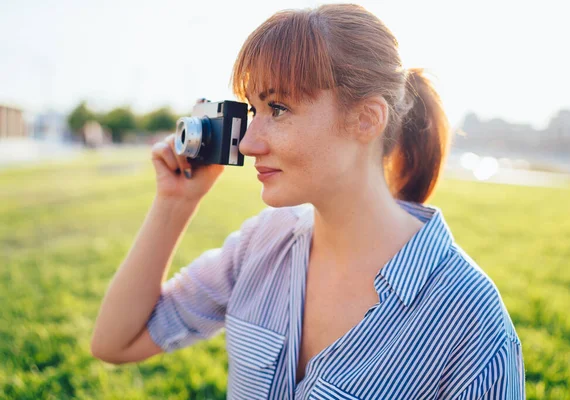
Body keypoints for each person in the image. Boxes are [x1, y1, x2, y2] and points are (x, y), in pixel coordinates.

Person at [91, 4, 525, 399]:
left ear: (366, 118)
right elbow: (115, 341)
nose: (250, 143)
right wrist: (174, 202)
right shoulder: (260, 244)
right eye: (253, 111)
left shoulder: (473, 324)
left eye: (277, 108)